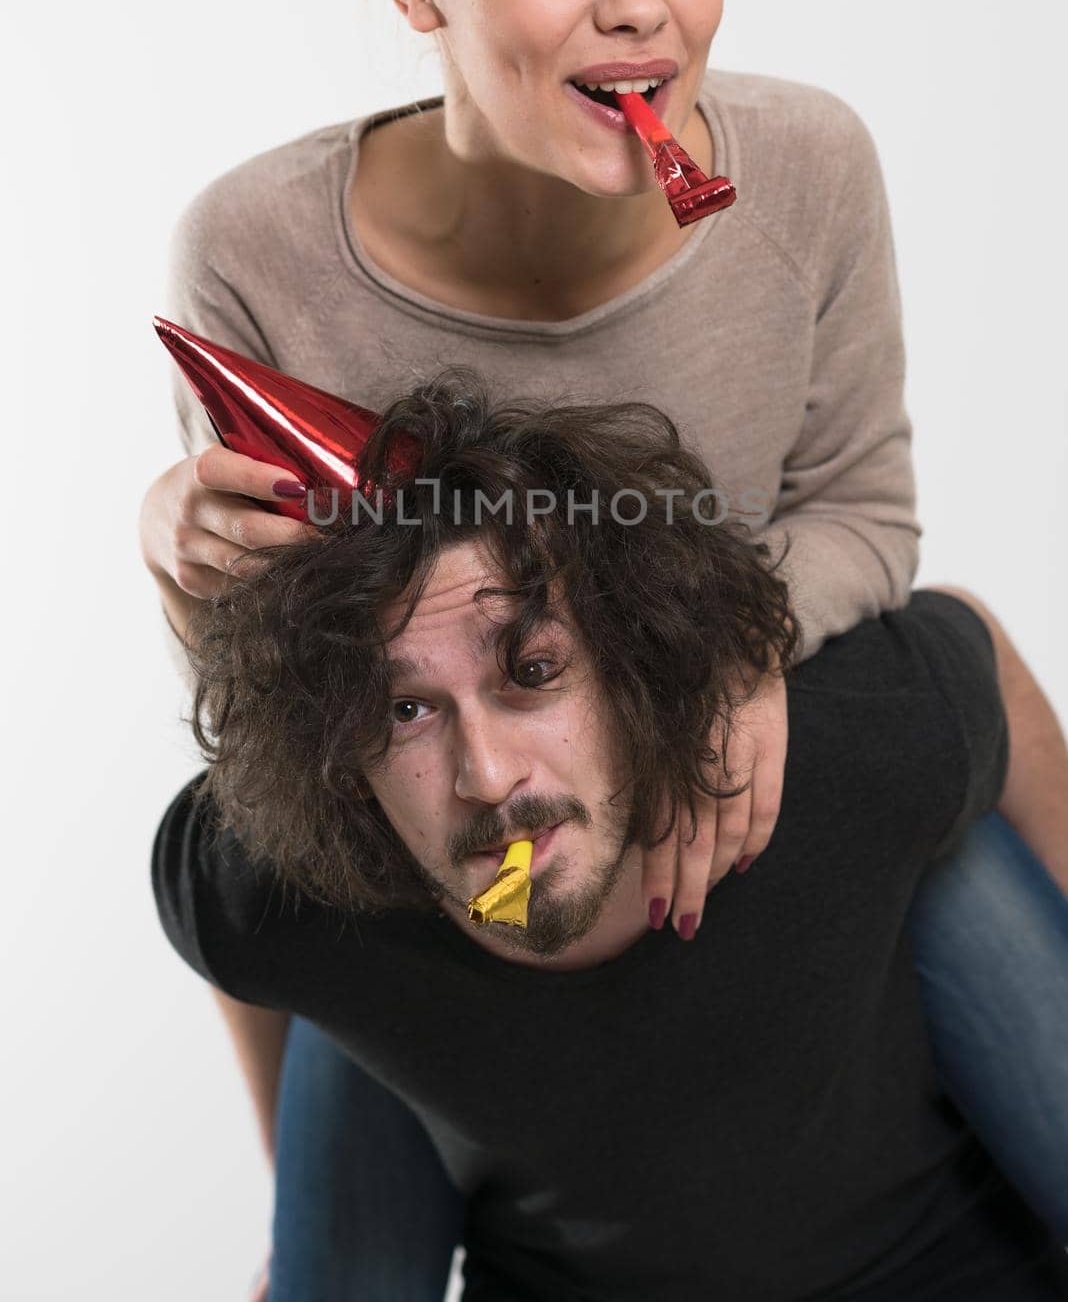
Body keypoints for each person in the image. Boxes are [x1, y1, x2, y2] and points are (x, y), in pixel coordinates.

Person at [137, 0, 1068, 1294]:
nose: (644, 4)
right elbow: (293, 710)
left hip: (763, 787)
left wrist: (731, 656)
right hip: (476, 856)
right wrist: (186, 557)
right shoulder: (258, 252)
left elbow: (867, 516)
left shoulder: (810, 170)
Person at [151, 371, 1068, 1302]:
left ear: (631, 664)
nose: (489, 776)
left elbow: (975, 658)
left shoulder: (841, 758)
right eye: (406, 709)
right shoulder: (277, 887)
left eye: (534, 670)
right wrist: (294, 1206)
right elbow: (237, 931)